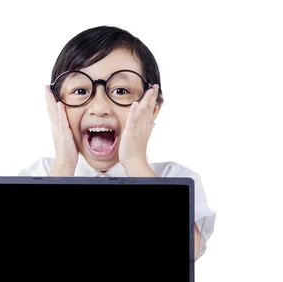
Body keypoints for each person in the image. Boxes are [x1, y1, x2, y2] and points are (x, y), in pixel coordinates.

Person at [19, 25, 216, 260]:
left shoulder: (176, 181)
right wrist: (63, 167)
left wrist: (134, 161)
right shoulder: (39, 175)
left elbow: (182, 255)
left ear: (152, 108)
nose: (100, 108)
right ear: (55, 105)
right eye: (80, 90)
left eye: (121, 90)